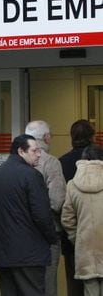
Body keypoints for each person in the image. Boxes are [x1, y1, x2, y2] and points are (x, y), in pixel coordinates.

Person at [0, 134, 58, 296]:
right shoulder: (32, 176)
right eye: (34, 150)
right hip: (29, 255)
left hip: (2, 254)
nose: (39, 154)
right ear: (21, 151)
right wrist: (52, 237)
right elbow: (42, 215)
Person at [25, 120, 66, 296]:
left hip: (24, 233)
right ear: (46, 138)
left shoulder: (18, 162)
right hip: (48, 233)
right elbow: (57, 202)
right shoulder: (51, 163)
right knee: (47, 284)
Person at [61, 145, 103, 296]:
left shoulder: (72, 185)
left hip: (85, 248)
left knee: (89, 291)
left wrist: (76, 238)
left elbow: (67, 218)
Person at [59, 119, 95, 296]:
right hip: (100, 237)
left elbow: (61, 204)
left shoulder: (62, 163)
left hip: (73, 239)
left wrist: (73, 236)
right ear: (92, 137)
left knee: (75, 285)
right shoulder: (101, 158)